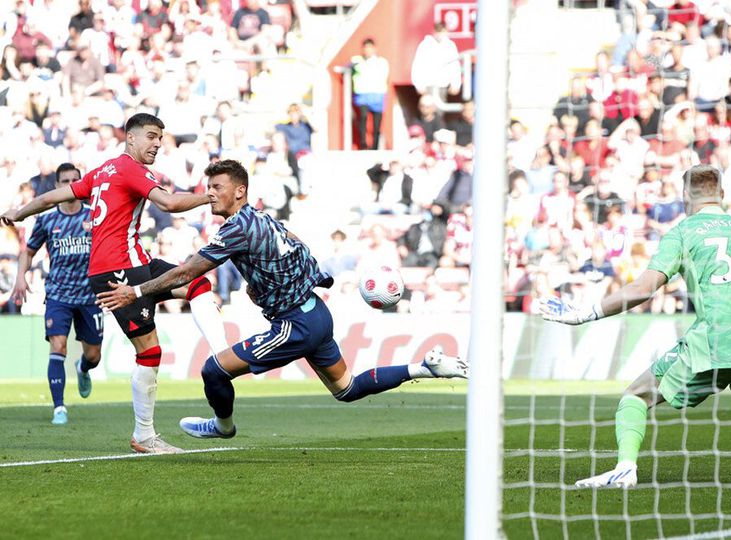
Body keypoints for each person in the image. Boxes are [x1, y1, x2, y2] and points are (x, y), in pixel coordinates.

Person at [96, 160, 468, 440]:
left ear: (239, 191)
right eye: (208, 186)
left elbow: (188, 272)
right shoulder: (263, 218)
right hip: (316, 313)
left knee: (214, 370)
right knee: (347, 388)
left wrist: (138, 290)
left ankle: (223, 427)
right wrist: (285, 281)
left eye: (218, 187)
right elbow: (299, 244)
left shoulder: (238, 227)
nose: (210, 193)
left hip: (296, 325)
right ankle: (424, 368)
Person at [539, 165, 731, 488]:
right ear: (721, 195)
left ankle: (625, 468)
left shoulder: (684, 232)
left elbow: (642, 290)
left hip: (715, 340)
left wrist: (585, 313)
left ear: (685, 196)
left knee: (637, 397)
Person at [1, 113, 228, 454]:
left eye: (160, 138)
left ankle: (223, 359)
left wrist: (20, 212)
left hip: (134, 261)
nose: (157, 144)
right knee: (149, 351)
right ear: (131, 138)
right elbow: (168, 203)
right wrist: (211, 198)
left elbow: (52, 197)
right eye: (151, 136)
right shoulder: (130, 169)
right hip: (119, 268)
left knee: (195, 283)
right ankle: (145, 435)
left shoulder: (104, 170)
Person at [11, 163, 101, 425]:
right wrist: (20, 277)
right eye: (65, 181)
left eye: (75, 180)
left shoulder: (94, 216)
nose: (70, 184)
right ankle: (59, 407)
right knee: (58, 346)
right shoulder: (47, 219)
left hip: (90, 296)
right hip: (58, 294)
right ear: (57, 186)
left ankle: (83, 369)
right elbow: (28, 252)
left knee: (93, 356)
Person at [351, 38, 389, 150]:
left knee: (377, 124)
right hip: (362, 94)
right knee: (362, 118)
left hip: (377, 94)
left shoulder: (381, 62)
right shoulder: (357, 61)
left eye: (369, 47)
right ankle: (362, 143)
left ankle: (375, 146)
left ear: (374, 48)